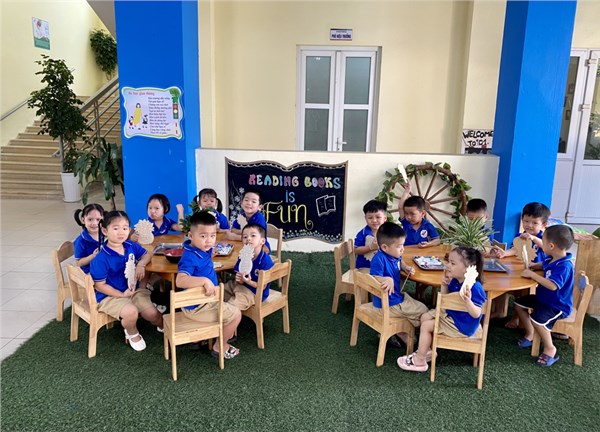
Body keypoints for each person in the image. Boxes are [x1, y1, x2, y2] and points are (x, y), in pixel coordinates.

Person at [397, 247, 486, 372]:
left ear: (467, 268)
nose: (448, 265)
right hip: (452, 316)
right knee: (424, 317)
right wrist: (444, 285)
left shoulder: (475, 288)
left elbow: (476, 314)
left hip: (461, 326)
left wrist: (468, 301)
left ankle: (420, 361)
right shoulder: (455, 281)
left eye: (453, 263)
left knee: (426, 326)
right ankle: (427, 350)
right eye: (448, 261)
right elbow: (445, 301)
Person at [90, 211, 163, 352]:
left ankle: (162, 325)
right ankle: (132, 332)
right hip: (109, 296)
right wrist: (122, 295)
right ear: (105, 231)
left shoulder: (130, 245)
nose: (121, 232)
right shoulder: (101, 258)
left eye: (125, 228)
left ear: (129, 230)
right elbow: (100, 286)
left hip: (133, 290)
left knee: (152, 314)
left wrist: (141, 265)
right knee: (131, 312)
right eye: (115, 228)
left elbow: (147, 254)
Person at [176, 211, 242, 359]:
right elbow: (180, 280)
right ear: (190, 236)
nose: (209, 241)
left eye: (212, 236)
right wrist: (204, 281)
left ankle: (208, 336)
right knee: (236, 314)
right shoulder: (189, 257)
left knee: (229, 294)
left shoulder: (200, 249)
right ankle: (220, 346)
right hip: (197, 306)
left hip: (205, 300)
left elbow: (203, 259)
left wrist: (210, 256)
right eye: (203, 236)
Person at [513, 225, 575, 367]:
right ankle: (530, 334)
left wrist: (533, 275)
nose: (541, 243)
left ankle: (550, 348)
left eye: (543, 241)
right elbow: (544, 264)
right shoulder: (553, 258)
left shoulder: (564, 266)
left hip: (557, 305)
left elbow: (553, 286)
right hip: (544, 299)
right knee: (518, 304)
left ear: (551, 246)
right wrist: (534, 266)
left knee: (537, 319)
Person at [492, 202, 550, 326]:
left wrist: (533, 238)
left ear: (544, 225)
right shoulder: (520, 235)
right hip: (522, 268)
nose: (529, 225)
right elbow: (515, 249)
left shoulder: (544, 237)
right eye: (526, 221)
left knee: (523, 293)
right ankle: (501, 311)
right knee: (506, 284)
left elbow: (545, 248)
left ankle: (516, 318)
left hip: (537, 272)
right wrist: (505, 253)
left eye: (535, 223)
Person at [369, 222, 425, 349]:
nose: (403, 249)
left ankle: (400, 331)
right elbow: (373, 278)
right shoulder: (379, 259)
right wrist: (385, 279)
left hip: (396, 297)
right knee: (424, 312)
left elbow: (400, 260)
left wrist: (405, 267)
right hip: (389, 304)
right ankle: (401, 331)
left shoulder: (394, 254)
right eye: (400, 247)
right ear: (384, 247)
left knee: (417, 305)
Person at [224, 223, 274, 311]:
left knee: (231, 307)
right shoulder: (243, 255)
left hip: (254, 292)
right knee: (220, 291)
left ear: (262, 241)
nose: (248, 239)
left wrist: (248, 281)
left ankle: (226, 313)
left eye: (253, 236)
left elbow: (262, 286)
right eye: (245, 237)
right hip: (240, 285)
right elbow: (239, 277)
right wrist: (240, 280)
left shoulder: (266, 261)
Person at [397, 182, 440, 248]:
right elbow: (400, 208)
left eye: (412, 214)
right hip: (406, 251)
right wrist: (407, 191)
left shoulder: (428, 225)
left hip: (422, 253)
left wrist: (429, 244)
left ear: (423, 213)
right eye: (406, 213)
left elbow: (437, 240)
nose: (408, 217)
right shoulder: (405, 222)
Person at [227, 187, 271, 251]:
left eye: (253, 201)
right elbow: (233, 230)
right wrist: (245, 234)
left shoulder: (259, 218)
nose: (249, 203)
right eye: (246, 200)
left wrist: (234, 237)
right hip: (244, 246)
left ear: (259, 207)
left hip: (260, 249)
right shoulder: (241, 216)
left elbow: (254, 239)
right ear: (241, 203)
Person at [354, 199, 388, 272]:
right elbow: (356, 250)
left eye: (378, 217)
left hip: (384, 267)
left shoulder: (389, 233)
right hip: (365, 267)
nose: (374, 220)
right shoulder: (363, 233)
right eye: (370, 218)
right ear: (365, 218)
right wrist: (370, 247)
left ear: (385, 218)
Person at [73, 203, 105, 274]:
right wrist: (93, 256)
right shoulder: (80, 241)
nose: (94, 223)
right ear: (83, 220)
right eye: (90, 219)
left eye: (98, 219)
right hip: (89, 272)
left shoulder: (104, 233)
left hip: (102, 266)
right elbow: (78, 263)